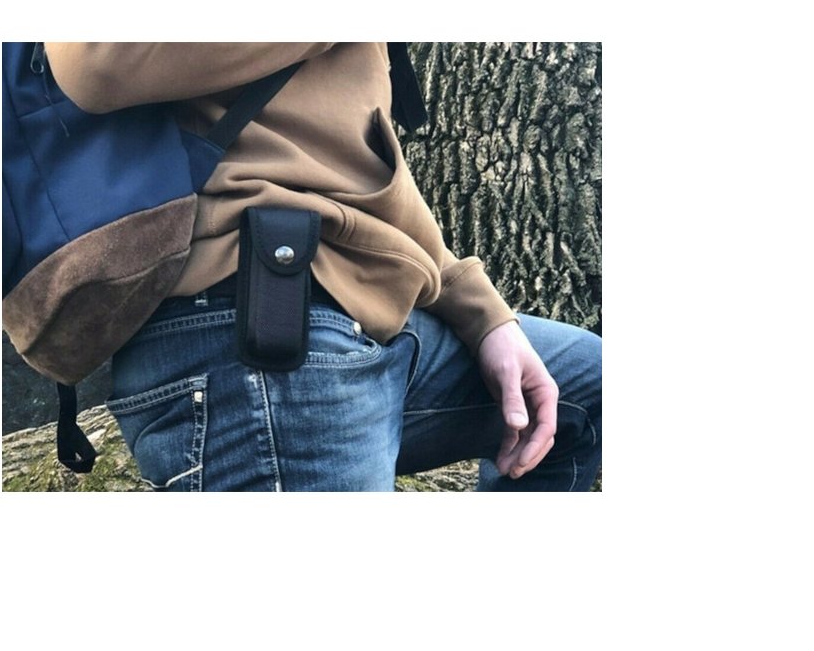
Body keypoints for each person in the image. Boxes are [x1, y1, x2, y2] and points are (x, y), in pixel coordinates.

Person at [43, 42, 601, 492]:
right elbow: (92, 59)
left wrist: (483, 315)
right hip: (247, 325)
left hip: (363, 316)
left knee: (588, 386)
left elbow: (359, 170)